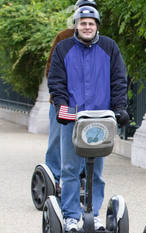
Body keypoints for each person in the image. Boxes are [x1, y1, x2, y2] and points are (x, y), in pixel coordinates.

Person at [48, 6, 129, 232]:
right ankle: (71, 217)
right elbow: (56, 81)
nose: (87, 27)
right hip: (73, 119)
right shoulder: (63, 48)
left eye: (91, 23)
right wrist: (61, 107)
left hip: (100, 120)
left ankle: (93, 214)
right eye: (82, 22)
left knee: (96, 171)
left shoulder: (109, 47)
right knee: (70, 170)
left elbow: (118, 79)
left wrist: (120, 107)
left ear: (97, 26)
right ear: (76, 25)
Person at [44, 0, 98, 194]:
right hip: (63, 102)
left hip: (88, 105)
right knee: (58, 141)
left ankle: (80, 179)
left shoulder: (99, 41)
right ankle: (54, 176)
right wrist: (62, 96)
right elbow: (50, 70)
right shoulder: (63, 37)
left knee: (85, 140)